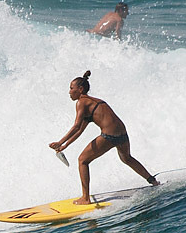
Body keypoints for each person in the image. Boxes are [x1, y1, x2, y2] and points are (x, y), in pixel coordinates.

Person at [50, 70, 158, 204]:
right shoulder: (94, 101)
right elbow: (80, 131)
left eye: (71, 88)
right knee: (127, 158)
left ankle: (85, 198)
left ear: (80, 89)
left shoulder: (82, 102)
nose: (69, 92)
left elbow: (76, 126)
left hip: (110, 135)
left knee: (82, 160)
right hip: (122, 134)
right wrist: (64, 146)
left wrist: (59, 141)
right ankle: (153, 182)